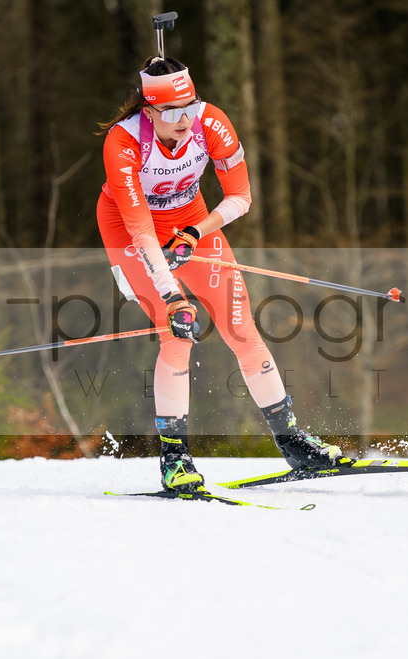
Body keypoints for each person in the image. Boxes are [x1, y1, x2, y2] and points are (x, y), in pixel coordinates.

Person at [96, 56, 347, 492]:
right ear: (149, 111)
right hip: (129, 229)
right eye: (172, 113)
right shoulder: (123, 143)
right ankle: (175, 461)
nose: (184, 121)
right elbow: (139, 229)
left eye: (190, 108)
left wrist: (196, 231)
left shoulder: (210, 124)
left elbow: (240, 197)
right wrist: (172, 295)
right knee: (176, 330)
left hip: (188, 218)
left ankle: (293, 444)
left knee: (242, 329)